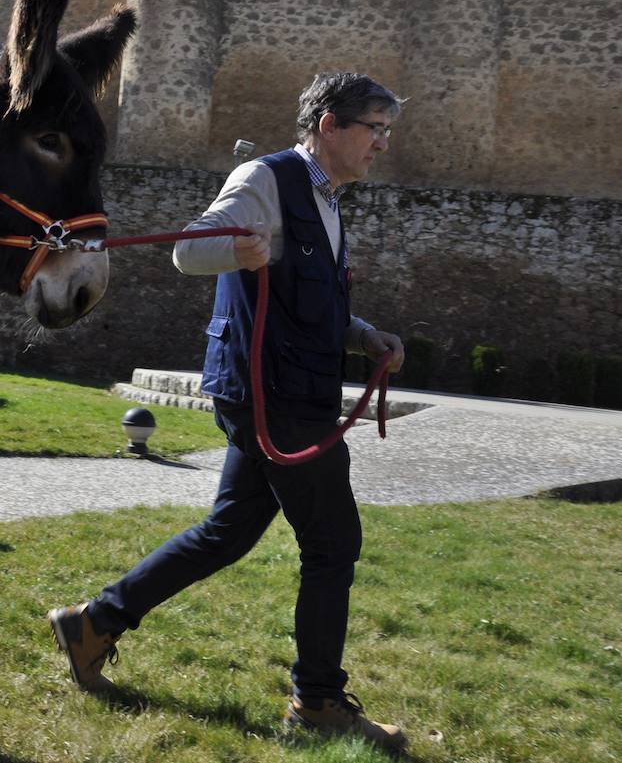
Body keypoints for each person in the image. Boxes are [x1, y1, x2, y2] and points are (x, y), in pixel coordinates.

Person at [48, 72, 409, 752]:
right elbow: (190, 248)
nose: (382, 145)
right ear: (329, 124)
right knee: (334, 543)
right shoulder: (267, 178)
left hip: (284, 392)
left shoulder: (329, 201)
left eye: (387, 131)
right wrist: (235, 248)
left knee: (230, 530)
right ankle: (319, 701)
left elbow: (314, 299)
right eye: (374, 129)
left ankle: (92, 623)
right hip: (273, 397)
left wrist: (364, 336)